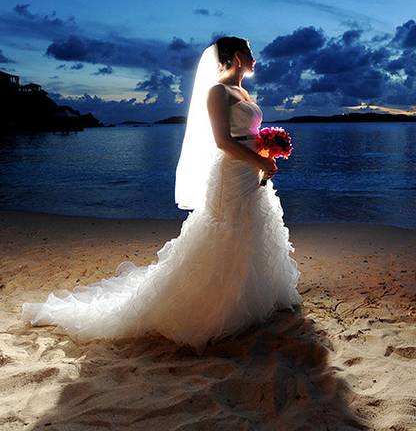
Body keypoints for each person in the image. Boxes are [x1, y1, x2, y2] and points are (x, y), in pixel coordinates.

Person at [21, 37, 302, 353]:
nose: (255, 58)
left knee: (252, 231)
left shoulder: (244, 92)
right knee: (228, 232)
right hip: (231, 175)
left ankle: (253, 297)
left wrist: (266, 147)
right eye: (250, 53)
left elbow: (246, 136)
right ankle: (218, 309)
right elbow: (223, 142)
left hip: (251, 173)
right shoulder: (217, 92)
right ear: (238, 57)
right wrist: (261, 160)